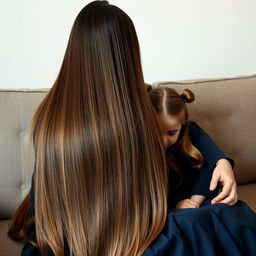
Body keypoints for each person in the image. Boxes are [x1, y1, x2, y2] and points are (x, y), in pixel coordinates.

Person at [8, 1, 169, 255]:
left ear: (75, 48)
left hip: (67, 239)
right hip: (131, 239)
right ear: (128, 53)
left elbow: (43, 199)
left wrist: (220, 161)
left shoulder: (47, 115)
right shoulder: (138, 112)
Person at [143, 86, 256, 255]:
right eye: (156, 131)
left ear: (183, 124)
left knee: (229, 214)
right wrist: (177, 204)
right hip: (168, 206)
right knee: (186, 226)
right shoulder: (143, 148)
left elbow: (215, 158)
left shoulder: (191, 131)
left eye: (171, 133)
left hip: (201, 196)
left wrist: (222, 163)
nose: (163, 140)